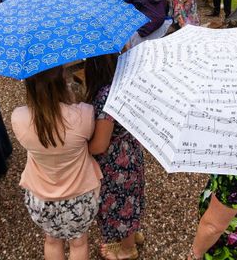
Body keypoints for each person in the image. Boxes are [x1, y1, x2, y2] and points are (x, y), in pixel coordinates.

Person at [11, 67, 102, 260]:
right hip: (80, 196)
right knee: (79, 243)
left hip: (41, 198)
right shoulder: (84, 114)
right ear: (63, 82)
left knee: (51, 240)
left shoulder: (19, 118)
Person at [85, 54, 146, 260]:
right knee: (131, 196)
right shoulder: (124, 82)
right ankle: (133, 234)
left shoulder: (105, 96)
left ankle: (127, 248)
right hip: (130, 151)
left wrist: (81, 148)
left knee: (120, 204)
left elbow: (100, 145)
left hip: (116, 161)